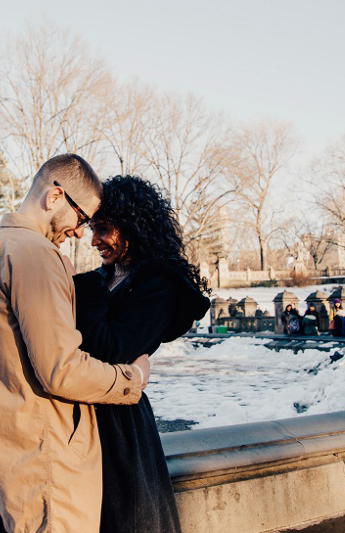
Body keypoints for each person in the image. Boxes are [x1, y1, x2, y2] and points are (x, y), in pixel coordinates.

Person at [0, 154, 149, 533]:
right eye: (80, 218)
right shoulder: (36, 254)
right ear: (55, 196)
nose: (80, 232)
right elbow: (61, 371)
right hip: (50, 463)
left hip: (12, 454)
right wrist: (132, 378)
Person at [73, 175, 210, 533]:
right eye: (92, 228)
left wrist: (83, 291)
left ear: (131, 223)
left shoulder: (159, 285)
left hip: (119, 423)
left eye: (103, 229)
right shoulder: (106, 278)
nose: (94, 240)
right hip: (85, 411)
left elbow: (112, 347)